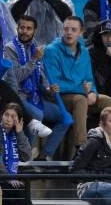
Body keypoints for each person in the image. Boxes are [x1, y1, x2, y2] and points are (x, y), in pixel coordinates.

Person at [42, 16, 111, 159]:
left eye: (73, 30)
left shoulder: (84, 52)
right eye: (66, 29)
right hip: (57, 98)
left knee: (106, 101)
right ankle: (81, 149)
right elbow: (55, 84)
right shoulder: (51, 50)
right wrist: (83, 90)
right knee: (80, 100)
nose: (69, 32)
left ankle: (109, 146)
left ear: (80, 33)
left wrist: (93, 92)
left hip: (80, 94)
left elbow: (89, 79)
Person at [4, 15, 68, 159]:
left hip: (36, 96)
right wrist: (33, 60)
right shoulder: (9, 49)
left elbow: (42, 76)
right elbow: (16, 76)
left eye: (29, 29)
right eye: (22, 28)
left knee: (65, 118)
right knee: (37, 115)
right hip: (18, 96)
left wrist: (49, 90)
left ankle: (44, 155)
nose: (25, 31)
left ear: (35, 31)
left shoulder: (37, 47)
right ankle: (24, 156)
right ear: (17, 29)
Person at [88, 21, 111, 130]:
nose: (109, 39)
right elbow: (98, 80)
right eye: (105, 35)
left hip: (110, 98)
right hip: (95, 96)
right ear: (100, 36)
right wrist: (107, 60)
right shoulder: (90, 54)